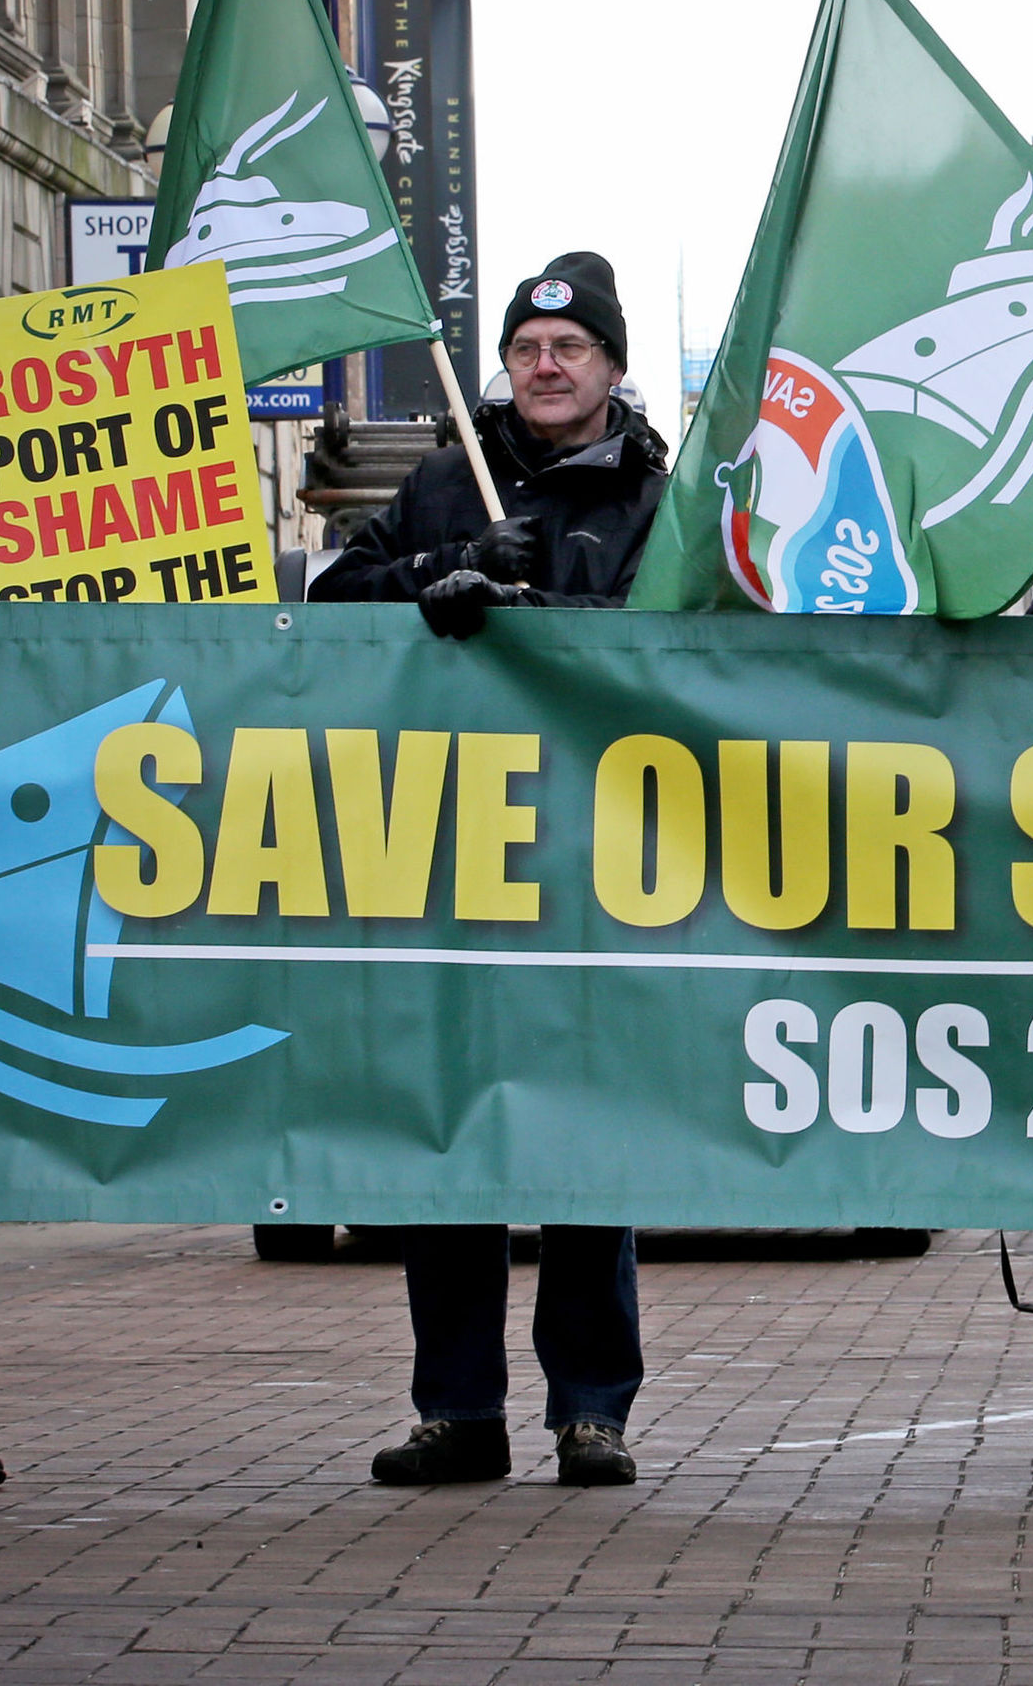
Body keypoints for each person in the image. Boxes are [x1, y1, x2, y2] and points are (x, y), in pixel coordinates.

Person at [311, 251, 668, 1488]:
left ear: (611, 367)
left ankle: (590, 1409)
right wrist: (431, 577)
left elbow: (709, 646)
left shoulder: (661, 500)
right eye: (526, 348)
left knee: (588, 1143)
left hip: (605, 862)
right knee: (449, 1139)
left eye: (570, 350)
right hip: (457, 857)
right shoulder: (439, 483)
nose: (546, 365)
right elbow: (332, 594)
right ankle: (458, 1411)